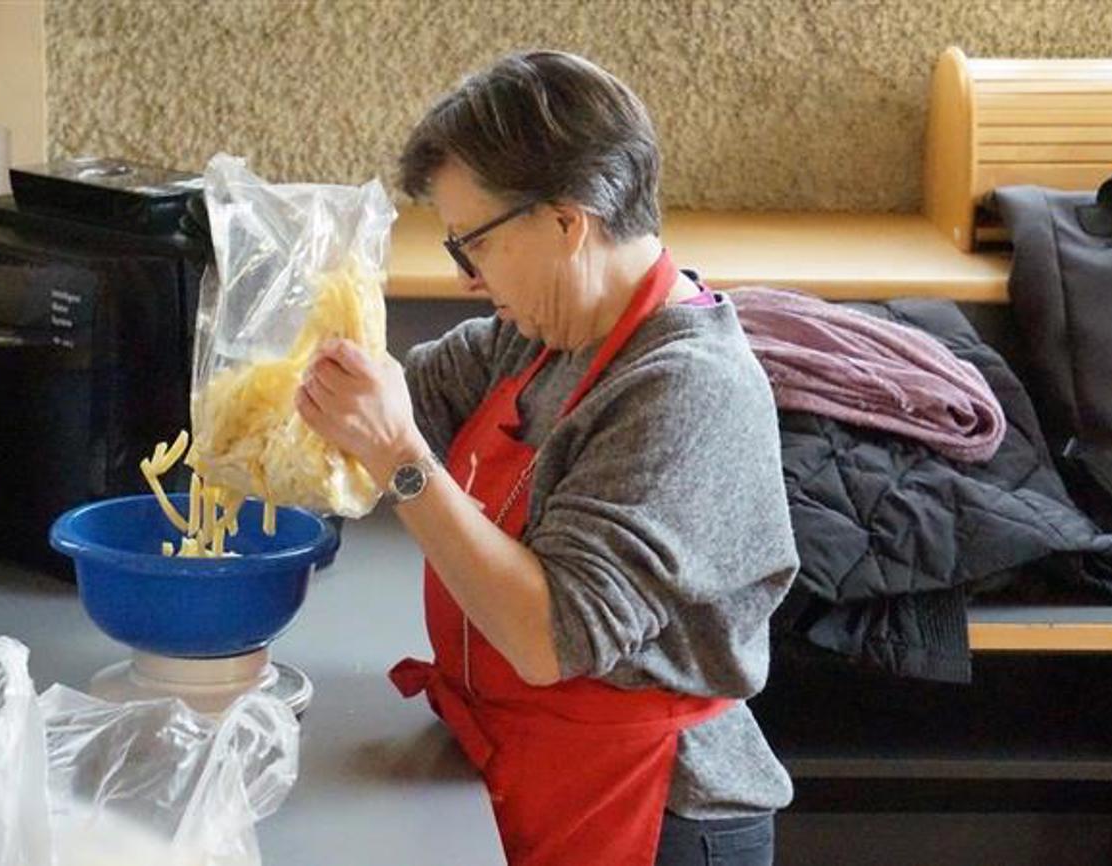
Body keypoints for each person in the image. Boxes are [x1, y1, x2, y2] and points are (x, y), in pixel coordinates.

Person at [295, 50, 798, 866]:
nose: (466, 279)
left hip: (657, 816)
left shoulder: (686, 389)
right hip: (522, 768)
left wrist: (400, 457)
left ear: (567, 222)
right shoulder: (531, 336)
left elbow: (548, 636)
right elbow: (369, 409)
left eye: (474, 246)